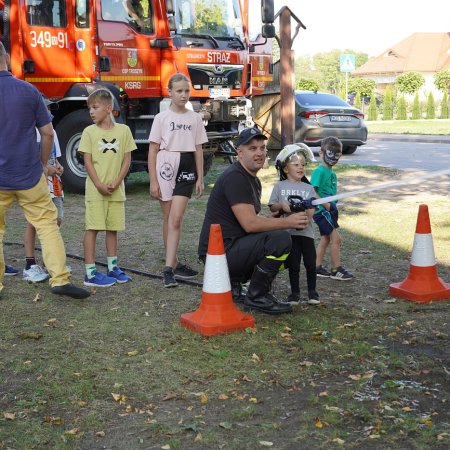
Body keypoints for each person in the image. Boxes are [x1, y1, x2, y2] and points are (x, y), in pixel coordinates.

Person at [0, 41, 89, 299]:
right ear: (6, 57)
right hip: (29, 176)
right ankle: (59, 278)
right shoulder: (29, 92)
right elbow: (48, 132)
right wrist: (42, 164)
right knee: (47, 224)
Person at [198, 127, 309, 315]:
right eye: (252, 148)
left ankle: (233, 285)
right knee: (280, 239)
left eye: (262, 148)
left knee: (292, 246)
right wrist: (288, 222)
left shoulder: (252, 179)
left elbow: (245, 222)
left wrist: (269, 219)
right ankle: (256, 296)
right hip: (217, 256)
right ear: (239, 152)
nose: (259, 153)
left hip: (228, 249)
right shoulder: (236, 177)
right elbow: (250, 224)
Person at [148, 73, 207, 288]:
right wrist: (153, 180)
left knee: (176, 218)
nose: (183, 95)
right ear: (170, 92)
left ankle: (168, 269)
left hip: (187, 163)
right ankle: (172, 261)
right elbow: (152, 150)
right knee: (168, 217)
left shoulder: (195, 118)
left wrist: (200, 177)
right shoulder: (161, 118)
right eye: (179, 91)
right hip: (166, 162)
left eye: (186, 91)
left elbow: (199, 148)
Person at [78, 88, 136, 287]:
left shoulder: (124, 131)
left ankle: (113, 267)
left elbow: (127, 159)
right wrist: (99, 185)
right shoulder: (89, 132)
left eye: (95, 107)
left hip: (116, 191)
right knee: (93, 228)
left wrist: (117, 181)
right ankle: (90, 272)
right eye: (89, 108)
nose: (91, 112)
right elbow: (87, 161)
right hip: (96, 191)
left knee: (113, 228)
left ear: (108, 108)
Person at [269, 143, 320, 305]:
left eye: (303, 165)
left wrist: (308, 209)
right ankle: (295, 294)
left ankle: (312, 293)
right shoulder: (279, 186)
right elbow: (272, 206)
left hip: (306, 234)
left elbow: (311, 212)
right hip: (289, 234)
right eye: (296, 164)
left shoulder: (308, 188)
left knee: (311, 263)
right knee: (294, 264)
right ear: (285, 169)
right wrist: (283, 206)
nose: (301, 168)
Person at [23, 103, 66, 283]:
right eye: (45, 109)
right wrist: (47, 169)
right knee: (34, 222)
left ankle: (50, 261)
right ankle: (29, 264)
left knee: (56, 219)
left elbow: (53, 158)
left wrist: (58, 168)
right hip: (38, 184)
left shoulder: (52, 132)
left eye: (49, 109)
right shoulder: (32, 132)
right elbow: (35, 162)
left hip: (54, 185)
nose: (48, 112)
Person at [310, 136, 354, 280]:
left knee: (326, 239)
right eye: (331, 153)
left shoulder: (332, 173)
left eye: (337, 154)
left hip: (330, 211)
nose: (334, 157)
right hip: (323, 212)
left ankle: (315, 267)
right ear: (321, 153)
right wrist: (325, 205)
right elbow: (312, 191)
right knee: (336, 239)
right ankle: (336, 270)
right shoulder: (320, 171)